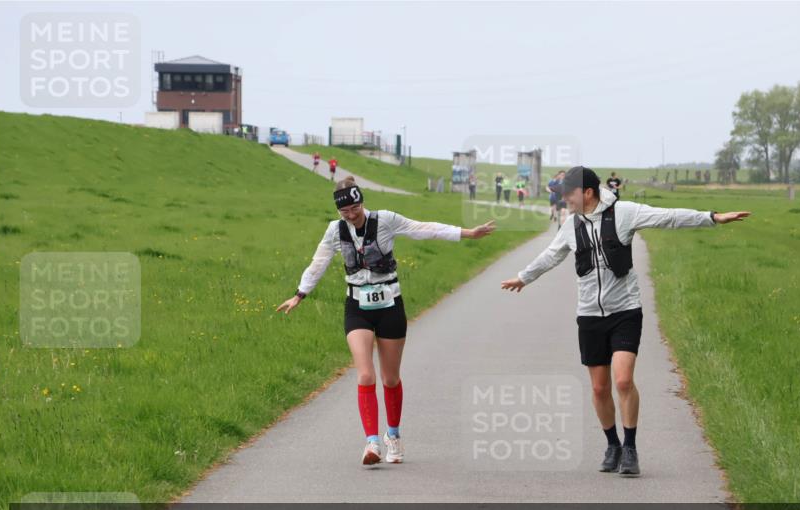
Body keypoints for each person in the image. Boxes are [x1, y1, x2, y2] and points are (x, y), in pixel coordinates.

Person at [500, 167, 750, 476]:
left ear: (587, 192)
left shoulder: (624, 213)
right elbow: (551, 256)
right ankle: (612, 444)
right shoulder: (570, 225)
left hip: (625, 311)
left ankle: (630, 447)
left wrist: (711, 217)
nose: (564, 198)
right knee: (600, 387)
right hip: (590, 314)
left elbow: (666, 217)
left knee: (622, 380)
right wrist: (524, 278)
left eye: (568, 193)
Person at [277, 177, 496, 465]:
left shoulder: (386, 221)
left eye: (355, 208)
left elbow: (424, 229)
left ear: (362, 202)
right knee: (365, 374)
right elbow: (318, 263)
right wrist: (300, 294)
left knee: (390, 379)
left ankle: (393, 435)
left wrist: (468, 233)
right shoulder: (335, 230)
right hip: (357, 306)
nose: (351, 215)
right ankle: (371, 442)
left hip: (390, 305)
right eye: (345, 212)